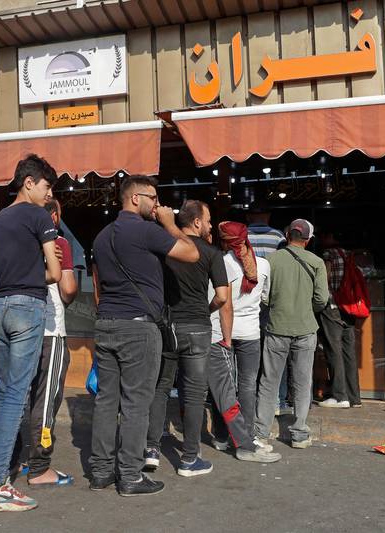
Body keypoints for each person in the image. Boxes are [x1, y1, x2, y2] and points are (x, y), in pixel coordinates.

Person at [90, 176, 198, 496]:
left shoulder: (101, 236)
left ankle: (100, 471)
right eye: (153, 197)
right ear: (136, 199)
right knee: (137, 403)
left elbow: (98, 286)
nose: (158, 203)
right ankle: (131, 476)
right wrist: (170, 222)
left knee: (107, 401)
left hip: (106, 321)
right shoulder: (148, 230)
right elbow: (191, 253)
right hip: (138, 326)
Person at [0, 155, 61, 512]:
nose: (49, 193)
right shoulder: (39, 216)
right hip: (27, 307)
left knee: (2, 394)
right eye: (46, 186)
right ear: (29, 182)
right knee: (15, 396)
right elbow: (55, 272)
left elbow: (3, 268)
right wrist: (37, 274)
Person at [144, 200, 228, 477]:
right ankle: (190, 459)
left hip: (167, 326)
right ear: (196, 223)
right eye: (208, 219)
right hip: (198, 328)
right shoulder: (212, 252)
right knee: (193, 394)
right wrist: (206, 310)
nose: (210, 225)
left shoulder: (164, 249)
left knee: (160, 387)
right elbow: (223, 296)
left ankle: (151, 449)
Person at [10, 197, 78, 488]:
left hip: (16, 327)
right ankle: (39, 467)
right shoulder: (59, 243)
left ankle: (11, 460)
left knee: (16, 397)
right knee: (45, 399)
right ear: (52, 216)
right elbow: (69, 289)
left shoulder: (13, 240)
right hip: (50, 329)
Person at [206, 222, 281, 465]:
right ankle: (247, 436)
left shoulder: (219, 263)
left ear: (224, 240)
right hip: (250, 333)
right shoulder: (264, 265)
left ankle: (220, 437)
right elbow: (266, 297)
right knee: (247, 386)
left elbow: (218, 300)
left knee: (223, 387)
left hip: (221, 331)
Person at [254, 219, 329, 449]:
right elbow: (321, 300)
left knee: (268, 382)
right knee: (302, 382)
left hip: (276, 327)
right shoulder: (316, 262)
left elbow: (263, 296)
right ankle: (299, 434)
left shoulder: (271, 261)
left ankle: (261, 433)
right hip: (305, 329)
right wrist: (305, 310)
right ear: (307, 239)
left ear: (287, 235)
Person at [245, 202, 290, 415]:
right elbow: (281, 269)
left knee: (250, 351)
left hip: (247, 299)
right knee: (274, 353)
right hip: (271, 300)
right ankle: (278, 401)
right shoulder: (279, 237)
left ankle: (249, 397)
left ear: (249, 217)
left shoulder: (243, 236)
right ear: (268, 215)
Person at [316, 229, 361, 409]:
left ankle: (339, 395)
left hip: (332, 306)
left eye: (323, 236)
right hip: (348, 307)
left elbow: (325, 280)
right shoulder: (349, 254)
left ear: (330, 236)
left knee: (333, 350)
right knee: (348, 352)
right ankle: (354, 397)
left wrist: (320, 300)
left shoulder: (328, 254)